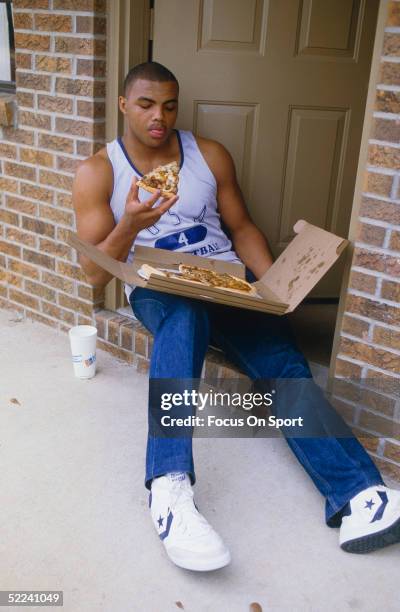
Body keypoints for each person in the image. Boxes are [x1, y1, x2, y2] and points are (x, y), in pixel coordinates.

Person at [72, 61, 400, 571]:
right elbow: (95, 276)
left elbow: (242, 227)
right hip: (158, 288)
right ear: (123, 105)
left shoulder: (208, 155)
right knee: (182, 317)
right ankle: (169, 488)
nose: (159, 116)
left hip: (228, 284)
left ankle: (361, 496)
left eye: (169, 104)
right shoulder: (99, 171)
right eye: (145, 104)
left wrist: (275, 289)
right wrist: (132, 224)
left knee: (283, 362)